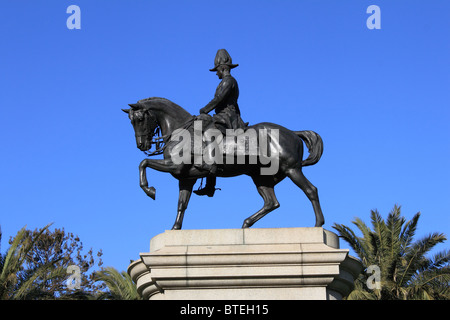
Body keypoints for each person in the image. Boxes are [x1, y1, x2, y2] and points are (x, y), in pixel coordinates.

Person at [194, 49, 247, 197]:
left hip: (227, 117)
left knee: (207, 130)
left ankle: (212, 166)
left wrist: (204, 109)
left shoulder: (228, 81)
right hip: (223, 115)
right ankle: (210, 184)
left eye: (217, 70)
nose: (216, 73)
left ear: (223, 68)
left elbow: (219, 99)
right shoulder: (226, 81)